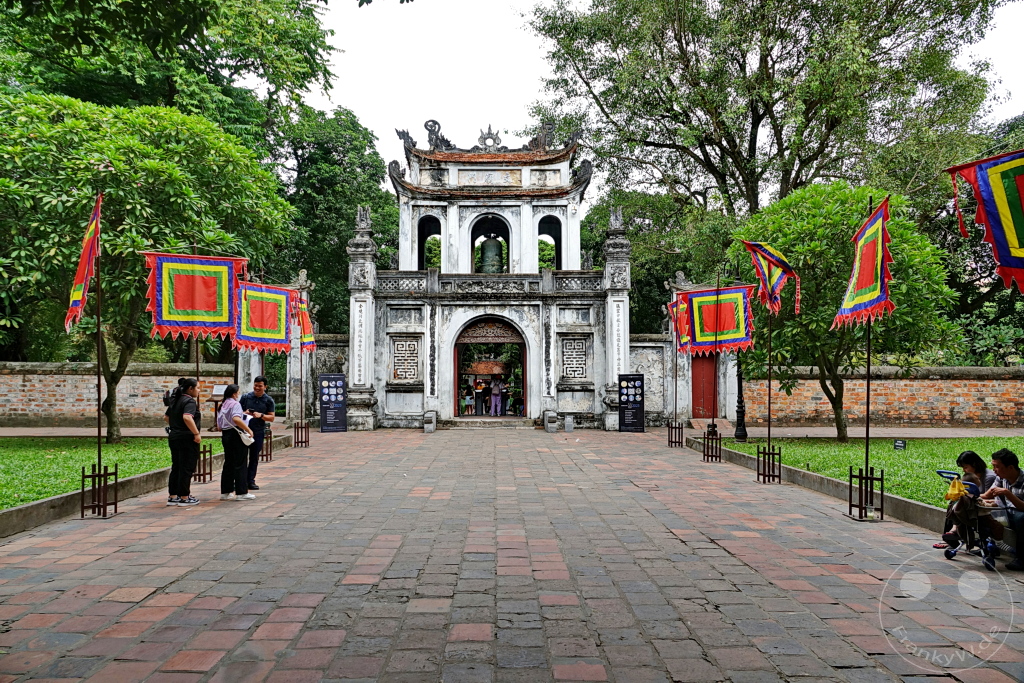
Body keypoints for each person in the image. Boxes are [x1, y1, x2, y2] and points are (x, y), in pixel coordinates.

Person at [980, 449, 1024, 570]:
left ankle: (1021, 559)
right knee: (981, 511)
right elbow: (987, 495)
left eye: (997, 467)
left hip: (1020, 512)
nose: (994, 470)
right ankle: (986, 546)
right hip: (1006, 510)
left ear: (1010, 467)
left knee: (1022, 519)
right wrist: (968, 495)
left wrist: (1007, 493)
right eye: (993, 466)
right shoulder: (1001, 478)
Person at [164, 377, 202, 507]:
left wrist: (176, 427)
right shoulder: (189, 401)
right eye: (197, 388)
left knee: (177, 466)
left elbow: (166, 417)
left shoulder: (175, 400)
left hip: (174, 436)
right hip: (187, 438)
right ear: (190, 389)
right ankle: (185, 497)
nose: (199, 390)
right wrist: (196, 433)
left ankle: (173, 496)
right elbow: (187, 417)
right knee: (187, 467)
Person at [218, 384, 255, 501]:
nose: (238, 394)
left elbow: (219, 426)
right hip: (235, 435)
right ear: (234, 394)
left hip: (225, 434)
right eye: (238, 392)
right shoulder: (235, 404)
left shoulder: (222, 405)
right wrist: (248, 429)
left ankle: (226, 491)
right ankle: (241, 492)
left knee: (229, 462)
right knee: (240, 462)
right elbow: (236, 418)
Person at [239, 376, 275, 490]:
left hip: (258, 431)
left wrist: (261, 415)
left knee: (254, 457)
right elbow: (238, 413)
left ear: (265, 387)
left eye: (260, 386)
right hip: (244, 431)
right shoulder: (245, 397)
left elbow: (272, 417)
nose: (257, 388)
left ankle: (251, 480)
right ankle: (240, 481)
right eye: (256, 385)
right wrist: (245, 413)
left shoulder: (268, 400)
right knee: (241, 457)